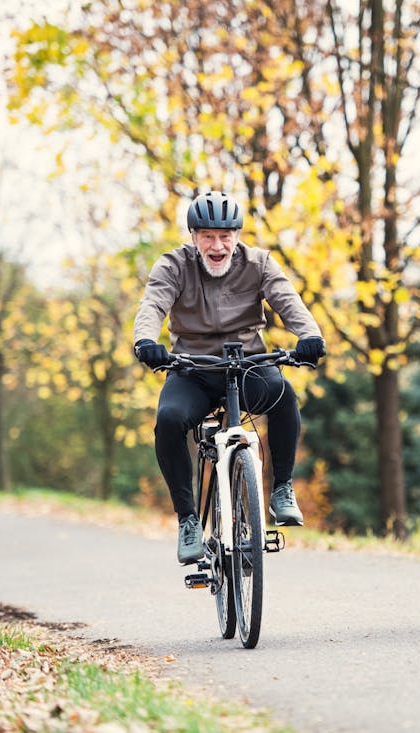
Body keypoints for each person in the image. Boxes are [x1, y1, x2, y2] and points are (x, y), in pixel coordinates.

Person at [133, 190, 326, 565]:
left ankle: (282, 489)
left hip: (248, 365)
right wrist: (145, 341)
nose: (217, 245)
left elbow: (287, 300)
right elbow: (153, 303)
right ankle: (188, 520)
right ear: (193, 237)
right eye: (207, 236)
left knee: (284, 396)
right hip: (193, 369)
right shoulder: (173, 265)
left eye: (225, 236)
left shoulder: (259, 262)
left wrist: (311, 336)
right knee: (169, 420)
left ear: (237, 235)